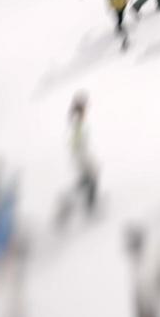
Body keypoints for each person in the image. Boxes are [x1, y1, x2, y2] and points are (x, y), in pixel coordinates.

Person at [56, 92, 98, 223]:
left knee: (87, 180)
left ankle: (70, 199)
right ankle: (90, 208)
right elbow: (77, 143)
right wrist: (86, 160)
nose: (86, 108)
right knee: (92, 179)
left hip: (80, 155)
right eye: (85, 105)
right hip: (80, 156)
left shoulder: (77, 120)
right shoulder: (77, 121)